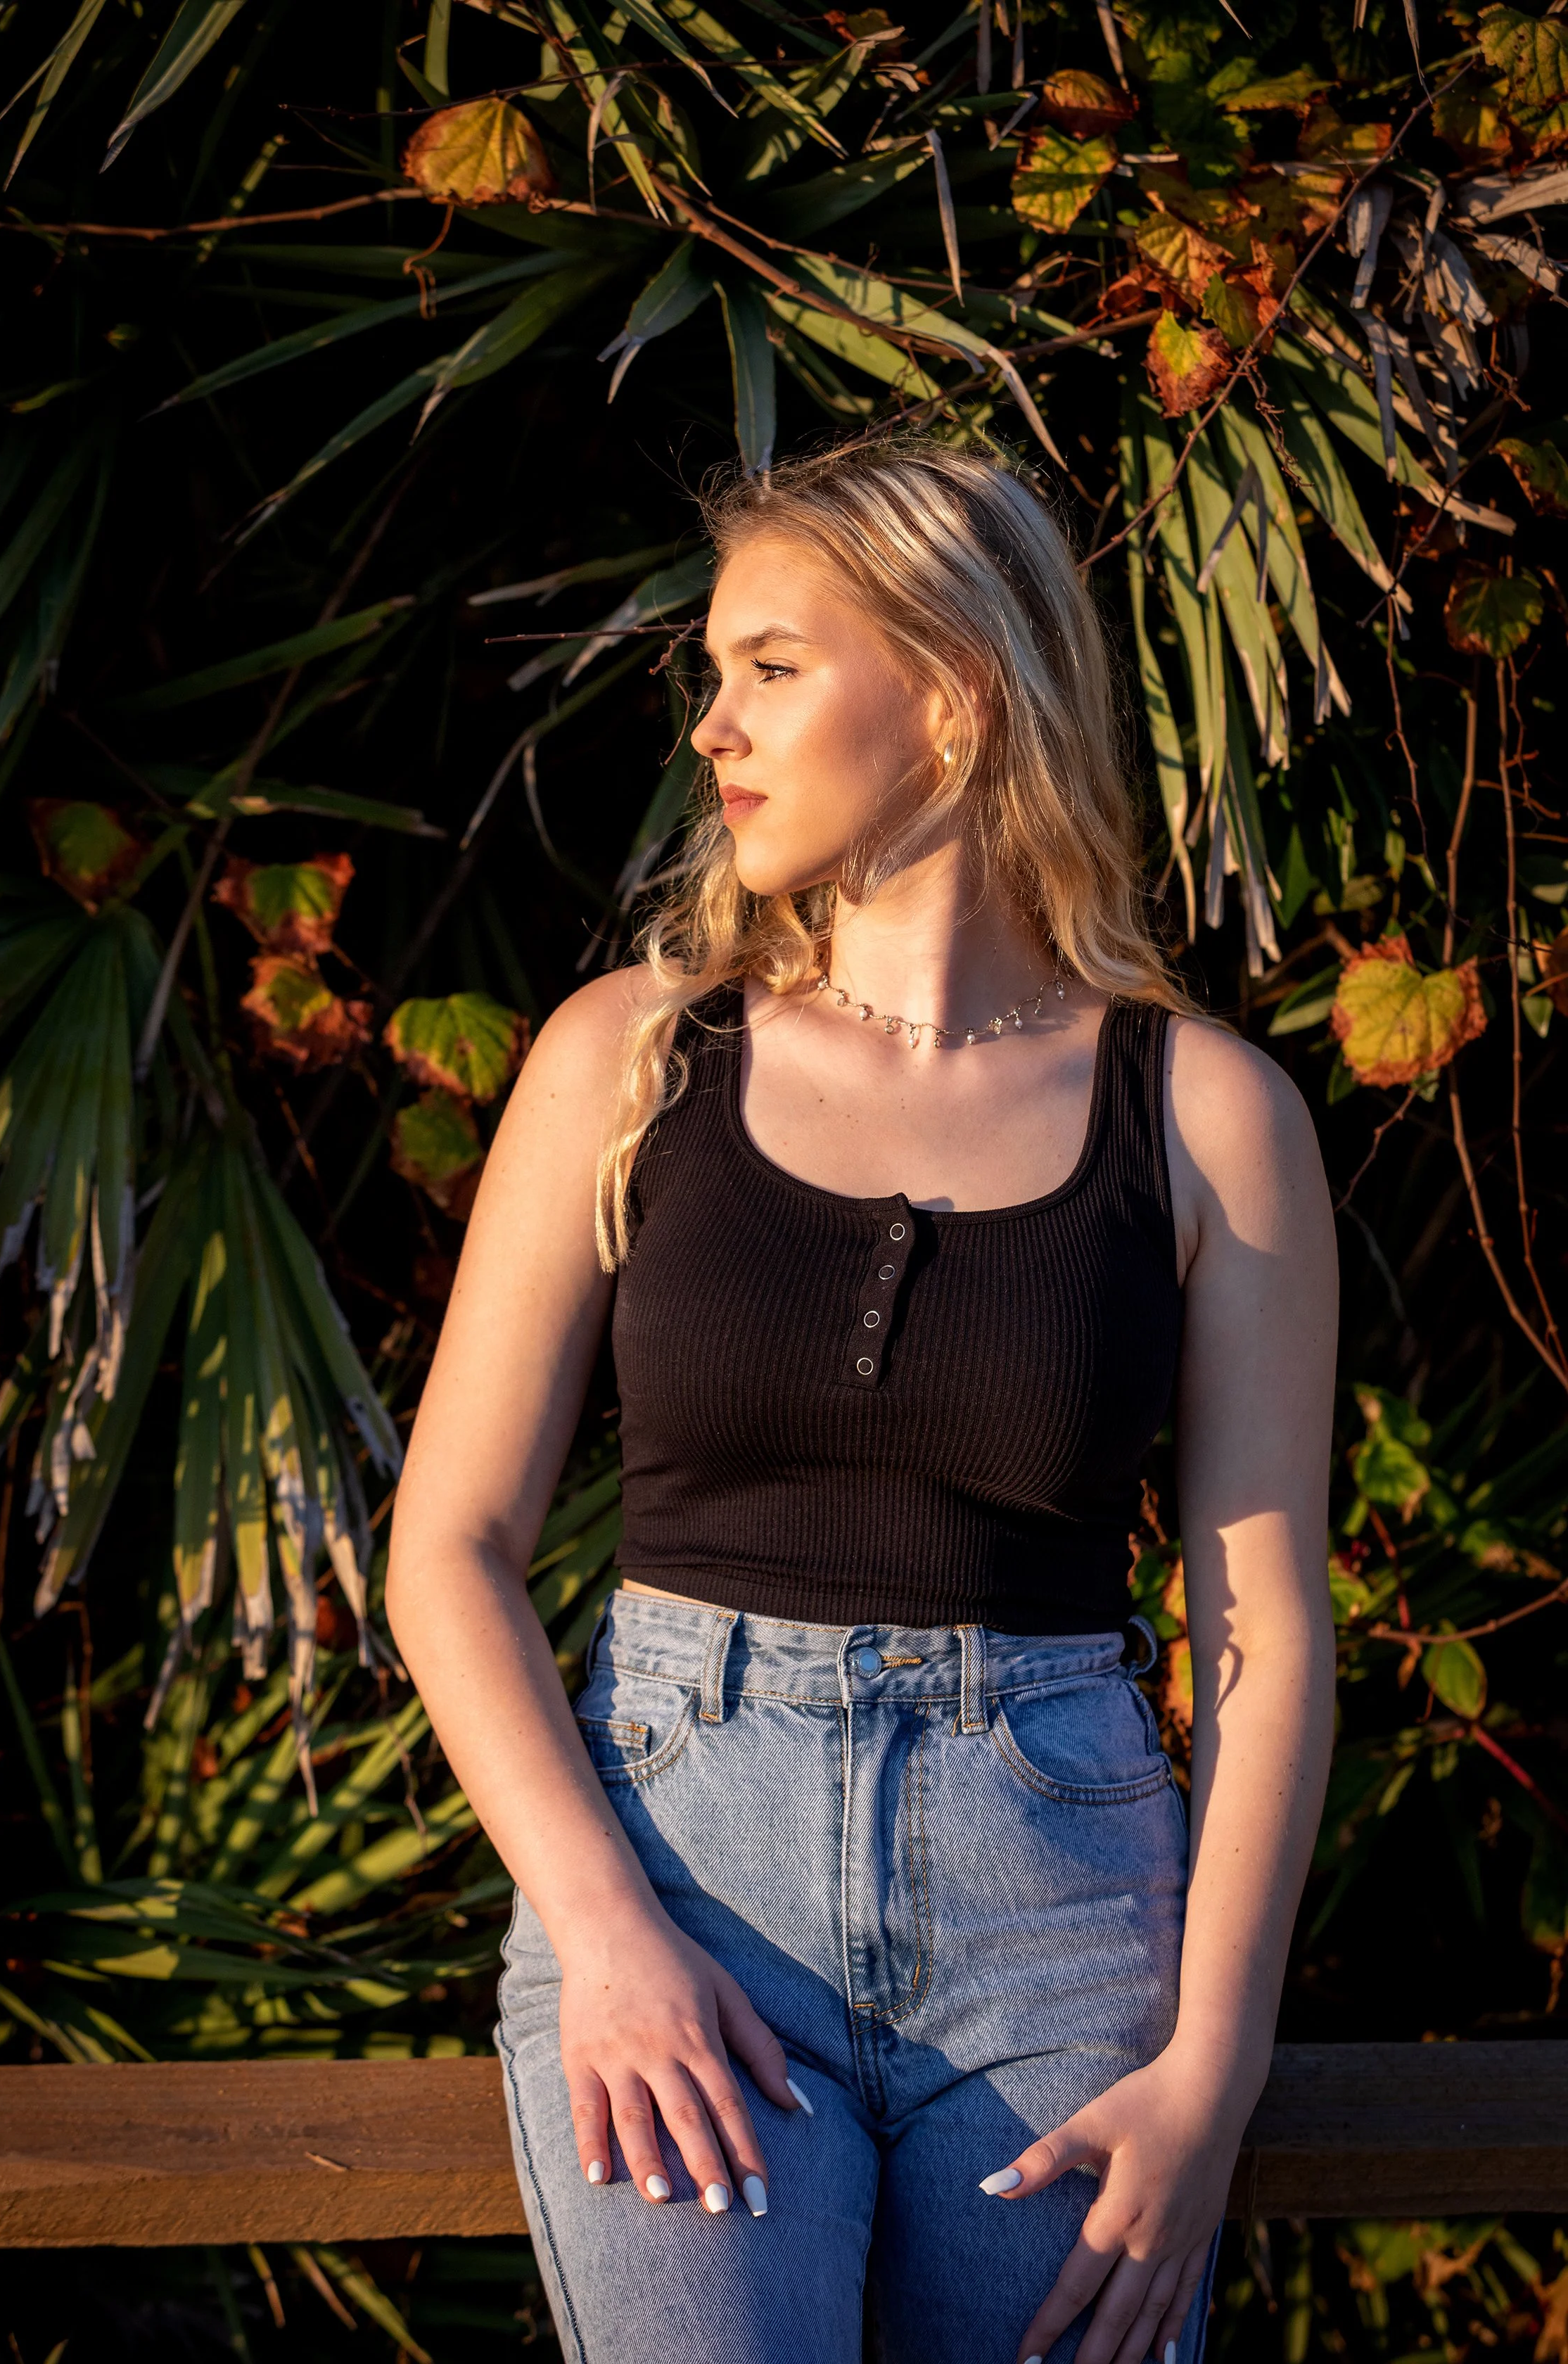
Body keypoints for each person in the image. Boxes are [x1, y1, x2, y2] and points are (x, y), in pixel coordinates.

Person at [386, 440, 1338, 2364]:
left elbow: (1263, 1624)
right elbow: (451, 1550)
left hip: (1059, 1909)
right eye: (714, 679)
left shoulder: (1208, 1114)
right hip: (683, 1871)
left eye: (769, 668)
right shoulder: (631, 1059)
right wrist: (607, 1937)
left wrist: (1218, 2060)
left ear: (958, 695)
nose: (712, 729)